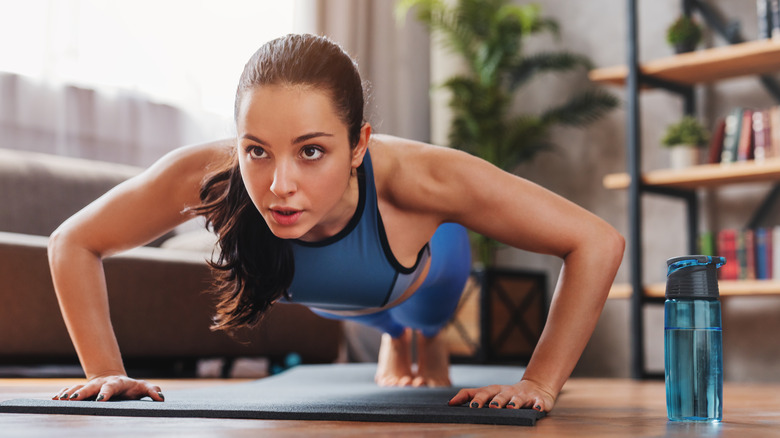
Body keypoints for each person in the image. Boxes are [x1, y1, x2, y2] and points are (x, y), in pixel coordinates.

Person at [49, 33, 624, 412]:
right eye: (257, 150)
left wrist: (540, 382)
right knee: (373, 316)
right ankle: (395, 338)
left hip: (425, 267)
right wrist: (105, 372)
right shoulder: (207, 174)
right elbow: (73, 241)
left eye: (312, 151)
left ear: (357, 146)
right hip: (338, 292)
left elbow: (595, 241)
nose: (279, 185)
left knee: (423, 315)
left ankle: (419, 335)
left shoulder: (423, 178)